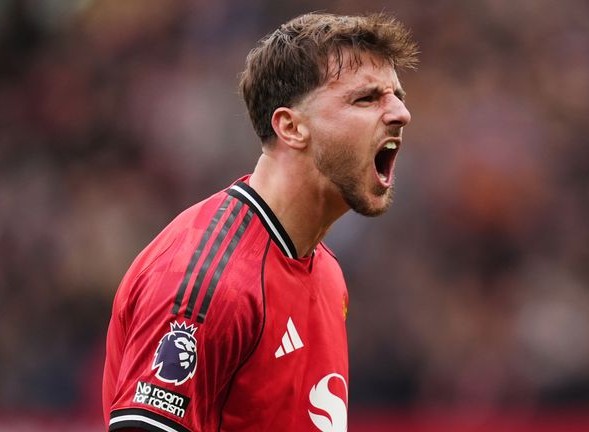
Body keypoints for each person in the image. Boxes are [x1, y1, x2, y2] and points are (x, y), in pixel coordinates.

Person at [102, 11, 417, 432]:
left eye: (396, 95)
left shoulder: (326, 273)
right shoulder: (210, 281)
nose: (400, 112)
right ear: (290, 127)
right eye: (366, 98)